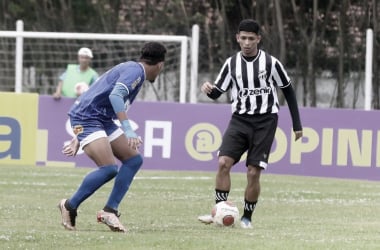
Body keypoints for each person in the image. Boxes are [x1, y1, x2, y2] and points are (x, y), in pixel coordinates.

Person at [197, 19, 303, 229]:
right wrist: (209, 89)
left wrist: (297, 124)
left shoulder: (272, 63)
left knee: (253, 171)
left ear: (258, 39)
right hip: (239, 119)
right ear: (237, 38)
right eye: (243, 38)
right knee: (223, 163)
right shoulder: (231, 64)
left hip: (265, 121)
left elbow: (288, 91)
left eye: (251, 39)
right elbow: (218, 92)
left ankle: (246, 218)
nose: (246, 43)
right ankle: (219, 210)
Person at [57, 42, 167, 232]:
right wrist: (128, 130)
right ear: (160, 65)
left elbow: (98, 92)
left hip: (100, 118)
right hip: (88, 118)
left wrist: (78, 138)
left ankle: (110, 211)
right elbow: (115, 96)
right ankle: (69, 205)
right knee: (108, 168)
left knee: (133, 160)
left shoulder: (131, 69)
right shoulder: (135, 72)